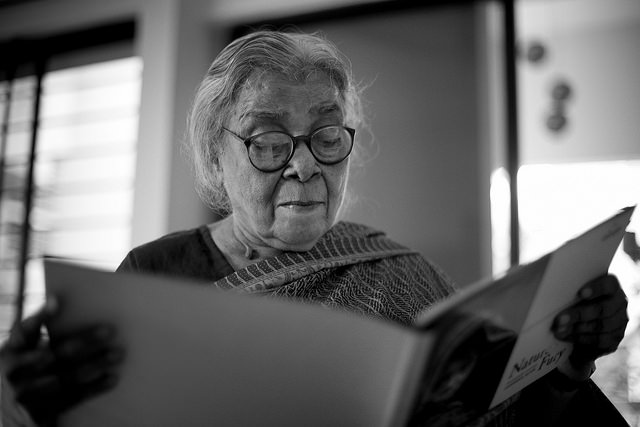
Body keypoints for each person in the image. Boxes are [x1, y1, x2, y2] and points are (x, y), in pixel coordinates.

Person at [0, 30, 630, 427]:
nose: (305, 164)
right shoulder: (153, 275)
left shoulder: (399, 272)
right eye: (269, 138)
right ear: (215, 156)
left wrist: (570, 358)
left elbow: (511, 416)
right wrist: (29, 405)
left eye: (327, 136)